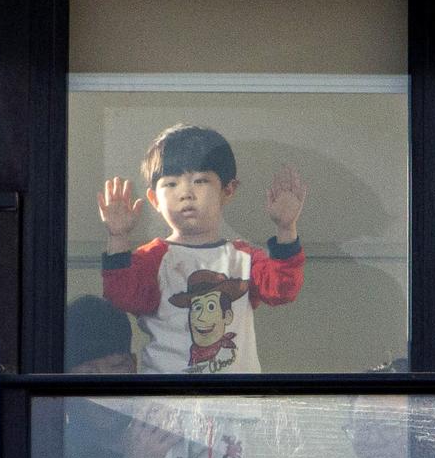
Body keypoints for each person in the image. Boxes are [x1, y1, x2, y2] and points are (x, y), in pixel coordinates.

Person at [97, 124, 306, 373]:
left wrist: (286, 229)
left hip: (234, 406)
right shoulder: (152, 259)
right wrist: (118, 237)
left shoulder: (243, 258)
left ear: (228, 190)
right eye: (171, 184)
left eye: (200, 180)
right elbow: (121, 296)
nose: (186, 193)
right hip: (167, 404)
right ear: (154, 199)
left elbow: (282, 289)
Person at [63, 295, 246, 458]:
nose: (106, 390)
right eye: (88, 376)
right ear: (65, 383)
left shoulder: (172, 435)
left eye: (117, 369)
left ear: (133, 368)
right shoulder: (54, 451)